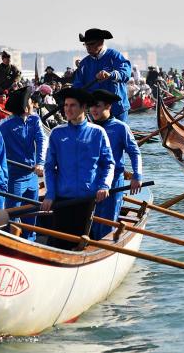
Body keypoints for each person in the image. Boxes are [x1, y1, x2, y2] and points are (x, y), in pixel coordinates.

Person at [42, 88, 114, 250]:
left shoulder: (98, 132)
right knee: (59, 245)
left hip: (87, 200)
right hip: (62, 200)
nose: (67, 109)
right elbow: (49, 167)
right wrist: (50, 194)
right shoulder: (56, 133)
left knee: (82, 244)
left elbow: (108, 163)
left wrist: (104, 186)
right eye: (66, 105)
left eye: (72, 105)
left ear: (84, 107)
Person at [89, 90, 143, 238]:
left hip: (114, 182)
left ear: (108, 106)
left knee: (107, 224)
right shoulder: (87, 127)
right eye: (91, 106)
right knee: (90, 223)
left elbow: (134, 152)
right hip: (90, 182)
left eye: (97, 106)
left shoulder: (121, 127)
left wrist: (137, 175)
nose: (93, 109)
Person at [0, 86, 47, 240]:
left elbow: (42, 139)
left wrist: (41, 162)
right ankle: (13, 243)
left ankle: (31, 240)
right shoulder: (4, 126)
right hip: (15, 177)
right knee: (13, 216)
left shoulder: (35, 119)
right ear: (25, 107)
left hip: (32, 175)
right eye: (31, 101)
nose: (33, 104)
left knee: (32, 213)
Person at [72, 28, 132, 122]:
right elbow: (77, 84)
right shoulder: (84, 64)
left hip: (117, 108)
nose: (88, 48)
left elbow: (126, 73)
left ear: (101, 42)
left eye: (91, 44)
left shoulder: (114, 56)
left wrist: (110, 75)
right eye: (86, 45)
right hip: (95, 110)